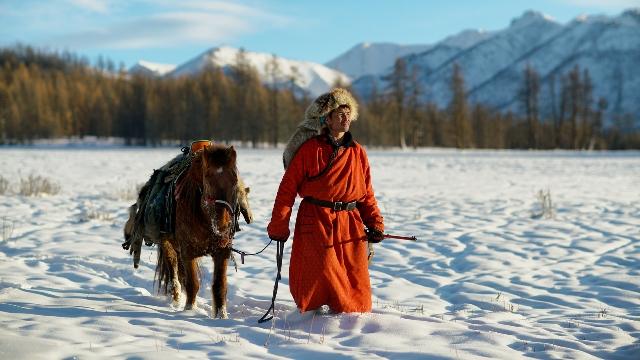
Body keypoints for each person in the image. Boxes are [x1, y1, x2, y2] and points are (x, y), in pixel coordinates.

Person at [267, 88, 384, 314]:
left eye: (348, 113)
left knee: (353, 280)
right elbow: (287, 189)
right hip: (317, 220)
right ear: (327, 119)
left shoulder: (358, 152)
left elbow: (366, 193)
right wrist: (279, 225)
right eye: (340, 113)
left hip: (351, 224)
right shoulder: (311, 150)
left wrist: (375, 223)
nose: (345, 118)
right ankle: (315, 320)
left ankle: (349, 322)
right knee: (322, 272)